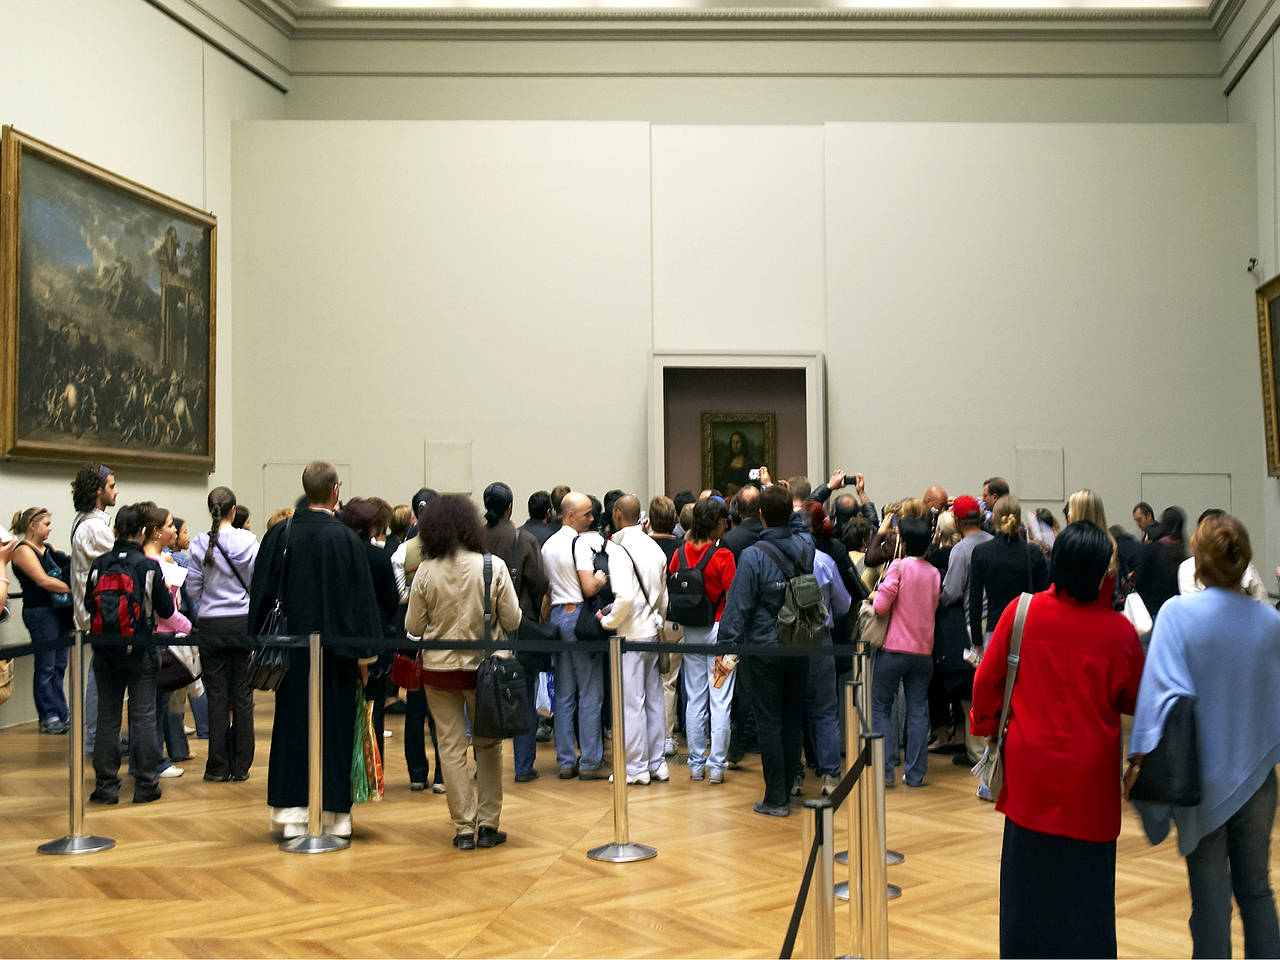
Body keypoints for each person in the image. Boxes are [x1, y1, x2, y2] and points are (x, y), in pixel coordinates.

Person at [971, 521, 1144, 959]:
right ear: (1102, 573)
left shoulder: (1021, 612)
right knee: (1090, 900)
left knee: (1026, 895)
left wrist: (987, 727)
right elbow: (1134, 698)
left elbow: (988, 683)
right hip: (1092, 781)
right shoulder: (1119, 632)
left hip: (1031, 774)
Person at [1126, 513, 1280, 959]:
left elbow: (1156, 697)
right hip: (1256, 778)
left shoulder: (1177, 614)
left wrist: (1137, 759)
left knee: (1210, 904)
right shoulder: (1269, 622)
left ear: (1198, 564)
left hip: (1198, 781)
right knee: (1256, 892)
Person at [248, 461, 382, 839]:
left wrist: (259, 644)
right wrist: (365, 659)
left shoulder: (279, 536)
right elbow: (361, 605)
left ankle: (291, 815)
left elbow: (261, 594)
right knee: (336, 731)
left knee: (291, 726)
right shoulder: (347, 540)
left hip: (290, 656)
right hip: (338, 659)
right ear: (335, 491)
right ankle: (335, 815)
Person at [404, 494, 522, 850]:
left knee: (450, 748)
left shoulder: (426, 569)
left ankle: (463, 829)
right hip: (485, 669)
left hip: (439, 671)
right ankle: (488, 824)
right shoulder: (493, 566)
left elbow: (413, 625)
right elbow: (514, 619)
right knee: (488, 745)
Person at [718, 484, 814, 818]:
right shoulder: (805, 547)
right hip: (800, 643)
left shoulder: (753, 555)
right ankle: (788, 787)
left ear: (760, 515)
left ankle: (775, 798)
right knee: (791, 719)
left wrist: (724, 648)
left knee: (770, 721)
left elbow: (738, 606)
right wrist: (792, 511)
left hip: (763, 647)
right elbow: (802, 525)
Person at [86, 503, 177, 805]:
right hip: (140, 649)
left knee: (108, 719)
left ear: (114, 532)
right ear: (142, 532)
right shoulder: (148, 567)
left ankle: (106, 787)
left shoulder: (99, 564)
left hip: (104, 650)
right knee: (144, 717)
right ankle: (146, 785)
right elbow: (165, 610)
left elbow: (89, 605)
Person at [187, 486, 259, 783]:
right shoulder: (249, 541)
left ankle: (217, 765)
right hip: (242, 621)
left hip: (211, 624)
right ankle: (241, 765)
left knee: (216, 696)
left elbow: (192, 589)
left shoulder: (199, 544)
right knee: (243, 695)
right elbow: (257, 582)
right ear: (234, 510)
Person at [479, 481, 549, 783]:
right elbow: (539, 584)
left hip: (479, 629)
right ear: (510, 507)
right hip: (518, 628)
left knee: (480, 697)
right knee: (523, 696)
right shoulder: (523, 539)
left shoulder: (474, 538)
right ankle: (523, 766)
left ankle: (483, 764)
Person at [600, 493, 670, 785]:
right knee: (654, 698)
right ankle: (657, 763)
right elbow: (664, 597)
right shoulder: (654, 546)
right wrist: (659, 621)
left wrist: (608, 621)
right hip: (653, 631)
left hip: (629, 634)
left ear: (617, 513)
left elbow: (625, 597)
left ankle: (636, 767)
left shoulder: (618, 547)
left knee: (631, 703)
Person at [540, 491, 610, 781]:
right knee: (591, 692)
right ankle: (591, 760)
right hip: (580, 618)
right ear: (569, 515)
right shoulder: (579, 543)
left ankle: (566, 760)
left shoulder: (547, 545)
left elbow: (547, 589)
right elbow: (589, 585)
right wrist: (600, 579)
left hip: (557, 616)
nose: (592, 519)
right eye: (587, 514)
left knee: (565, 693)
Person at [671, 497, 737, 783]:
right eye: (723, 520)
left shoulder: (681, 553)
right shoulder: (723, 556)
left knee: (695, 698)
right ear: (715, 523)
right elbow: (732, 595)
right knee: (720, 699)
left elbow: (670, 580)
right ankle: (718, 767)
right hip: (719, 629)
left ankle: (696, 764)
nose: (726, 525)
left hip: (691, 630)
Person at [870, 516, 939, 788]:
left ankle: (886, 772)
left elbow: (881, 607)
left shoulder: (898, 567)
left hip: (894, 649)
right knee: (918, 711)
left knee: (881, 707)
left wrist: (875, 597)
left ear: (904, 541)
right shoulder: (934, 572)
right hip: (923, 651)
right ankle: (915, 774)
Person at [70, 463, 119, 755]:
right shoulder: (93, 527)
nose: (115, 491)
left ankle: (99, 734)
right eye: (111, 486)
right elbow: (116, 560)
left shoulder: (88, 522)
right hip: (96, 610)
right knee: (99, 676)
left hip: (94, 608)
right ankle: (94, 737)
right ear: (98, 490)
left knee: (101, 674)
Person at [10, 507, 73, 733]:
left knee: (59, 665)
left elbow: (64, 567)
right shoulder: (23, 550)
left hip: (59, 610)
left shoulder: (48, 548)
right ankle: (49, 716)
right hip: (40, 612)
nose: (49, 528)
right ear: (32, 526)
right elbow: (43, 580)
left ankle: (61, 712)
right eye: (46, 524)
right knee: (46, 666)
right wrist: (74, 589)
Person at [967, 496, 1050, 652]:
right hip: (1027, 630)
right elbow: (1045, 597)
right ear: (1018, 519)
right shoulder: (1033, 553)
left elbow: (975, 601)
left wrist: (977, 641)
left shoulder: (981, 552)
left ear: (993, 518)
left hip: (995, 627)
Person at [1176, 507, 1270, 601]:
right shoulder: (1188, 567)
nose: (1219, 540)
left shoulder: (1243, 565)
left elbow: (1262, 601)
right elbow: (1192, 606)